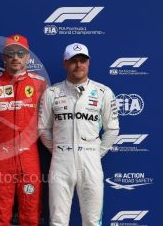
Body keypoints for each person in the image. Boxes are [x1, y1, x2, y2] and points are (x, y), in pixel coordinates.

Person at [38, 43, 120, 226]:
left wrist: (96, 152)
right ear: (65, 64)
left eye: (82, 61)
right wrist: (59, 150)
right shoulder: (52, 93)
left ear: (88, 63)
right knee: (58, 220)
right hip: (61, 160)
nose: (78, 65)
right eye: (73, 61)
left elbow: (112, 128)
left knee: (92, 220)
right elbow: (43, 128)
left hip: (91, 159)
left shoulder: (103, 92)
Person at [0, 34, 48, 226]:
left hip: (29, 158)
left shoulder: (40, 85)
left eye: (21, 53)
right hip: (1, 159)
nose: (15, 57)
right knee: (0, 213)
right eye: (10, 53)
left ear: (28, 57)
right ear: (4, 57)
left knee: (31, 213)